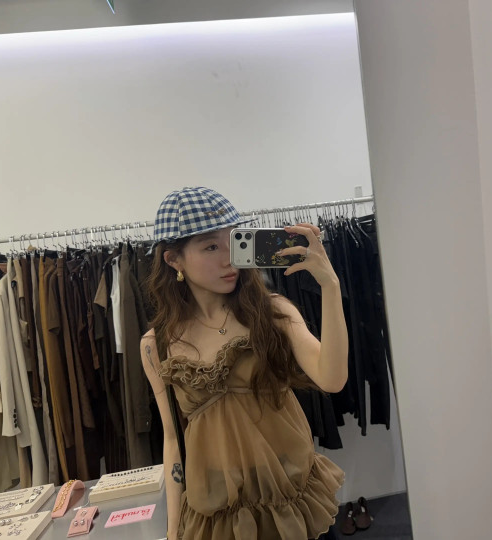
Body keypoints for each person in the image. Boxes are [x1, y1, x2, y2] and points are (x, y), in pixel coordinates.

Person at [140, 187, 347, 539]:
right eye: (211, 247)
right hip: (220, 506)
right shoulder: (156, 345)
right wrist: (173, 532)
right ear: (174, 260)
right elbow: (173, 438)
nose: (229, 259)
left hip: (286, 490)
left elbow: (332, 379)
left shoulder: (272, 312)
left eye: (234, 241)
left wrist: (330, 285)